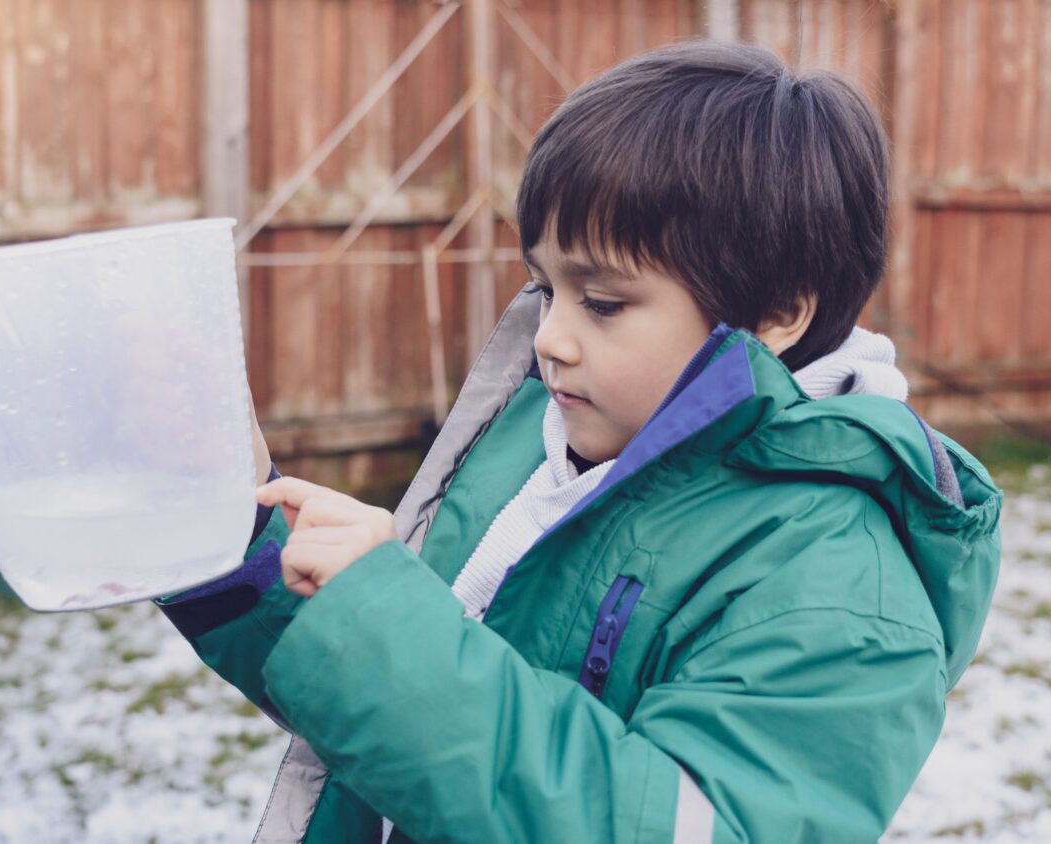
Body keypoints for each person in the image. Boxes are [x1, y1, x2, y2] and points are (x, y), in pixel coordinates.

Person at [156, 40, 1001, 843]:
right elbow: (399, 713)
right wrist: (243, 545)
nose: (549, 338)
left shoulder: (839, 591)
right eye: (545, 286)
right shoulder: (550, 447)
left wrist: (388, 624)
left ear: (778, 313)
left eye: (601, 302)